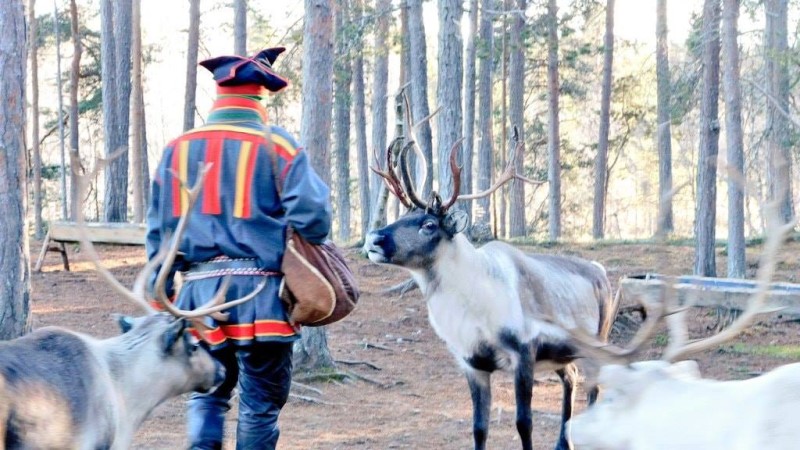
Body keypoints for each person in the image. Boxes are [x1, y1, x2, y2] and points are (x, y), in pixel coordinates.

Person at [145, 47, 332, 450]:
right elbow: (315, 221)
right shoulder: (278, 145)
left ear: (220, 95)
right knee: (260, 405)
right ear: (262, 96)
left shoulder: (177, 149)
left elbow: (160, 235)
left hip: (197, 300)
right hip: (262, 299)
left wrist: (162, 298)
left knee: (207, 394)